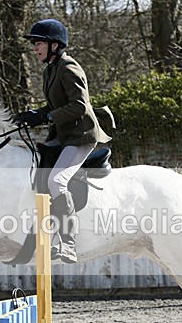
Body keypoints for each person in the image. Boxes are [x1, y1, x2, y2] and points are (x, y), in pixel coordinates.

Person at [14, 19, 112, 264]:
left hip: (80, 136)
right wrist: (35, 114)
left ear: (55, 45)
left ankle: (68, 243)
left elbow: (79, 106)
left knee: (57, 181)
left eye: (39, 44)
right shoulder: (50, 70)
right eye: (35, 44)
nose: (35, 48)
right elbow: (55, 105)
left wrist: (48, 116)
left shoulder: (69, 67)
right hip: (62, 136)